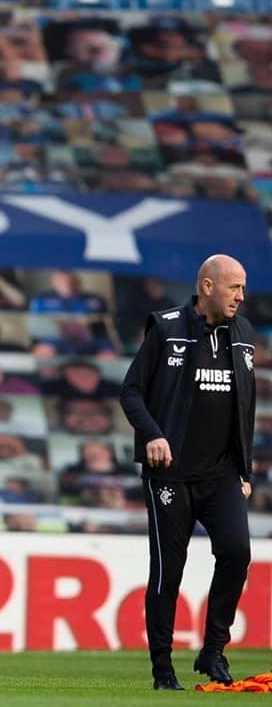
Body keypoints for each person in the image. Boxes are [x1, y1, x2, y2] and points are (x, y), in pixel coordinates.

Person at [119, 254, 255, 691]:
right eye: (234, 287)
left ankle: (213, 650)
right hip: (170, 475)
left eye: (243, 288)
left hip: (222, 475)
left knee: (236, 553)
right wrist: (154, 435)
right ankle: (163, 669)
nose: (241, 296)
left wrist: (245, 468)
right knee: (168, 571)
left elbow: (244, 407)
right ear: (207, 286)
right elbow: (131, 392)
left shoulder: (244, 335)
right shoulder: (166, 327)